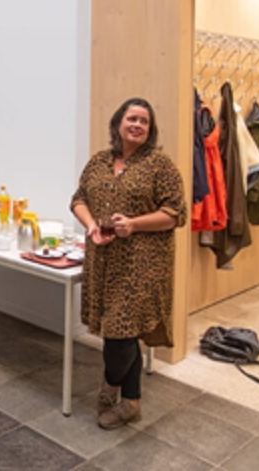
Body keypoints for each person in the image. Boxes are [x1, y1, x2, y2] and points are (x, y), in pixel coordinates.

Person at [70, 97, 187, 429]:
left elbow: (175, 214)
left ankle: (111, 382)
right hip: (103, 259)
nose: (137, 125)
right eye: (132, 118)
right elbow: (78, 199)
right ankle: (131, 402)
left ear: (150, 130)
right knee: (118, 332)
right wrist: (92, 225)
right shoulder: (98, 161)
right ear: (118, 123)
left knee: (120, 336)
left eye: (144, 122)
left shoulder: (160, 166)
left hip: (142, 265)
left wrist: (134, 224)